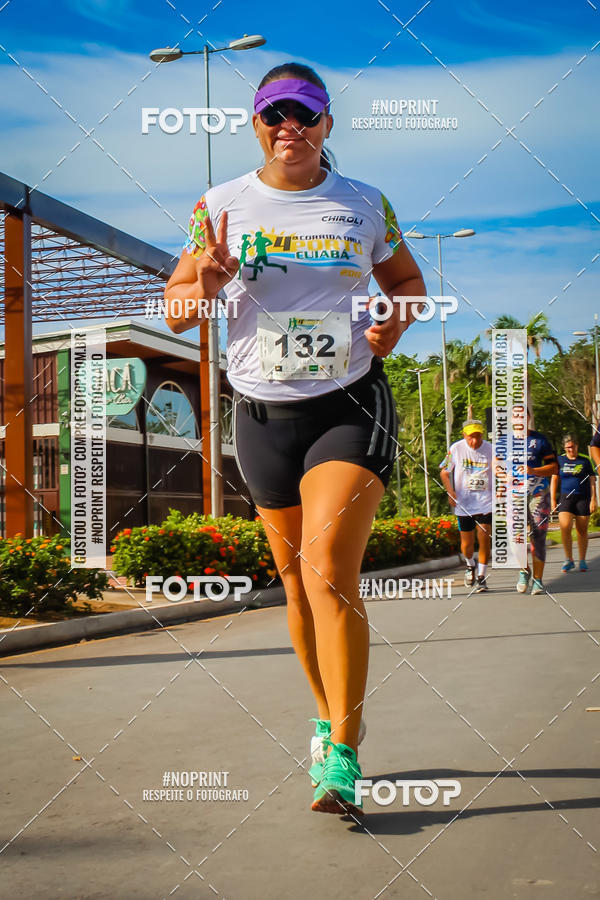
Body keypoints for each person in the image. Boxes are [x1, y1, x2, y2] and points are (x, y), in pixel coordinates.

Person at [163, 62, 426, 817]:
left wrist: (394, 322)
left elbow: (406, 283)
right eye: (275, 114)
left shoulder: (364, 204)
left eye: (305, 115)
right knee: (295, 582)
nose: (291, 128)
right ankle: (329, 716)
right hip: (260, 416)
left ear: (327, 126)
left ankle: (341, 759)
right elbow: (178, 310)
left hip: (348, 403)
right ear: (254, 124)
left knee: (327, 571)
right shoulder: (218, 206)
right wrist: (206, 282)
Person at [440, 419, 493, 593]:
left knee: (484, 538)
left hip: (486, 502)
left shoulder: (491, 449)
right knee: (467, 545)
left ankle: (481, 577)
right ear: (464, 435)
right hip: (464, 504)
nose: (475, 441)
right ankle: (470, 565)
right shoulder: (456, 449)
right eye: (471, 437)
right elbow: (444, 472)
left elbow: (500, 471)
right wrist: (450, 492)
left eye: (478, 436)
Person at [517, 410, 558, 595]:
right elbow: (496, 465)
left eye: (522, 416)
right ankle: (524, 570)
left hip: (537, 493)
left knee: (538, 536)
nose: (519, 420)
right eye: (515, 416)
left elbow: (554, 467)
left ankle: (538, 580)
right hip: (514, 495)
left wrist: (533, 470)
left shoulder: (540, 441)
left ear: (528, 418)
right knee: (514, 537)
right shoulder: (503, 442)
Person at [551, 435, 596, 572]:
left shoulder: (585, 460)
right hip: (566, 498)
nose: (571, 450)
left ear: (577, 446)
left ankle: (582, 560)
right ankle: (568, 559)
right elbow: (554, 478)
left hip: (583, 498)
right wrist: (552, 499)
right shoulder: (560, 460)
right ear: (565, 448)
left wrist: (594, 499)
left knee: (582, 530)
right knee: (565, 527)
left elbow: (592, 481)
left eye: (573, 447)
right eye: (568, 447)